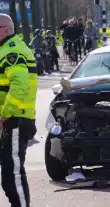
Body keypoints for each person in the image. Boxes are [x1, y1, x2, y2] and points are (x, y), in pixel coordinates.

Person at [0, 14, 37, 207]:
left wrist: (5, 114)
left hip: (14, 120)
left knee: (12, 176)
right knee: (10, 175)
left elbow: (20, 85)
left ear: (5, 29)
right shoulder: (6, 49)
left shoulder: (11, 52)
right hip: (12, 120)